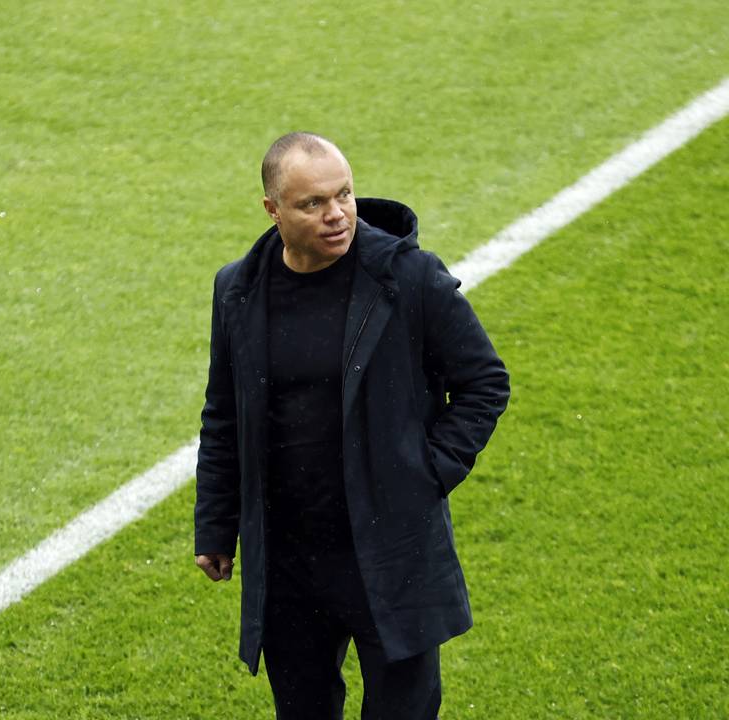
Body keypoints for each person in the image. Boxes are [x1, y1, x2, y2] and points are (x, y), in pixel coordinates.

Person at [194, 133, 509, 719]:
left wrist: (426, 471)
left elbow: (484, 381)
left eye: (345, 194)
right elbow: (223, 414)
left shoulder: (408, 277)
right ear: (273, 210)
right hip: (290, 560)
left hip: (389, 548)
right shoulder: (237, 290)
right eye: (313, 203)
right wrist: (215, 525)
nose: (336, 214)